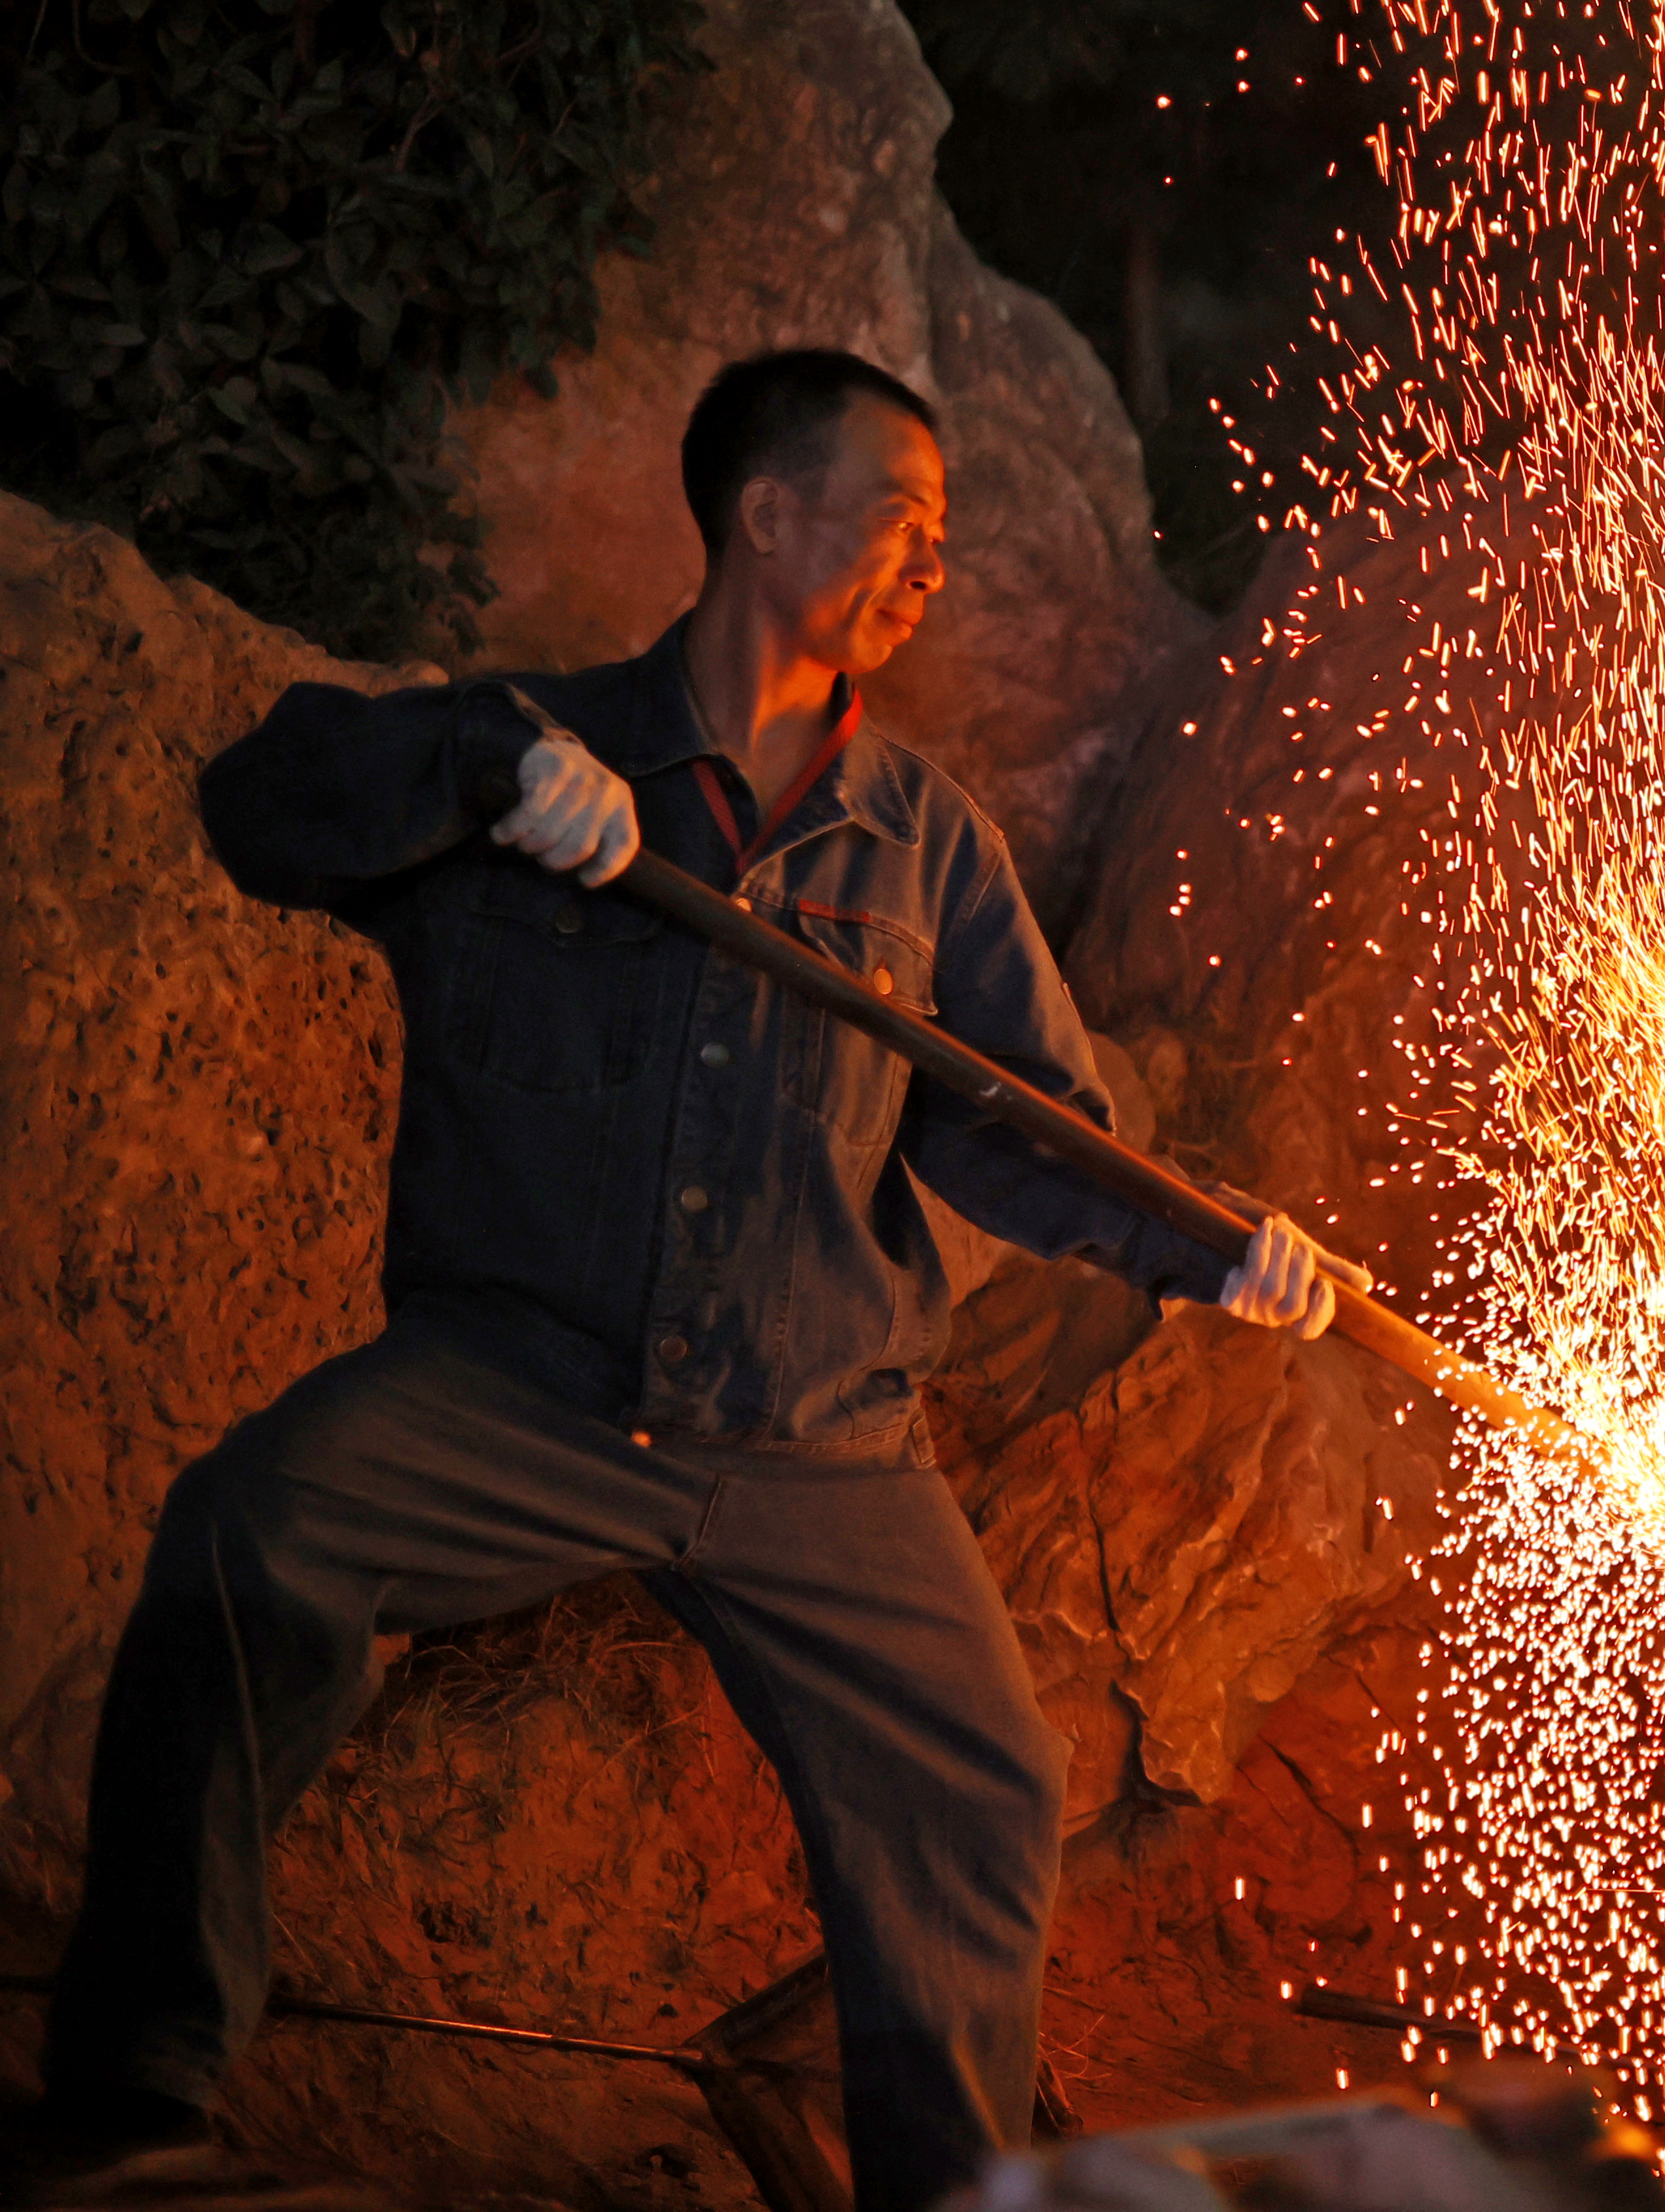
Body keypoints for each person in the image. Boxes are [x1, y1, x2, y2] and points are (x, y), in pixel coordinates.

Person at [4, 349, 1352, 2212]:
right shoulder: (539, 751)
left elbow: (1016, 1129)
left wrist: (1209, 1250)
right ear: (764, 515)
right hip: (519, 1392)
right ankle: (135, 2101)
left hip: (815, 1437)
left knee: (974, 1789)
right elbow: (266, 802)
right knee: (247, 1539)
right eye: (900, 516)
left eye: (946, 537)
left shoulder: (922, 839)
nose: (928, 564)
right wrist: (478, 774)